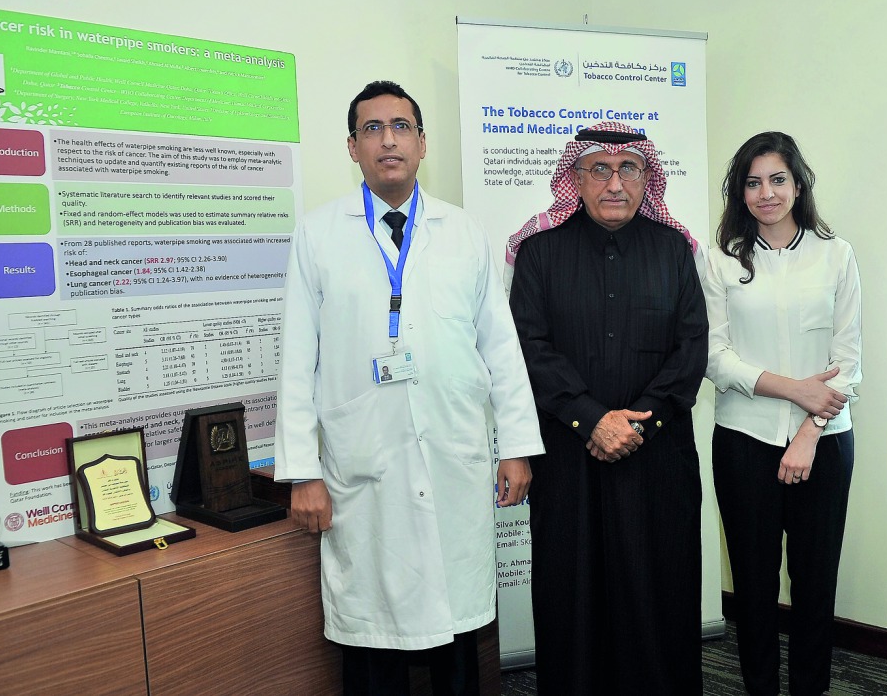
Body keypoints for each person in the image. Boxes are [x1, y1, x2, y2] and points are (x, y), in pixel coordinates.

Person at [273, 80, 544, 696]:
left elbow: (501, 348)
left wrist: (517, 446)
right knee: (374, 638)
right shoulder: (318, 235)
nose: (387, 139)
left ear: (422, 143)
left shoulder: (464, 233)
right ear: (352, 146)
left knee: (456, 633)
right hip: (364, 463)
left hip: (452, 454)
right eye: (372, 128)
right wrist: (302, 471)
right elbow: (296, 360)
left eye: (401, 127)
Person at [506, 122, 708, 695]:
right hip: (570, 459)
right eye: (600, 169)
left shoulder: (673, 250)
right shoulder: (540, 253)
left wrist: (638, 421)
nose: (615, 183)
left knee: (659, 591)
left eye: (629, 169)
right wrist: (591, 418)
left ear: (648, 179)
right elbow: (529, 346)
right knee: (573, 594)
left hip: (658, 456)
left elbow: (691, 346)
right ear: (576, 178)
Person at [703, 132, 861, 696]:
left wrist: (810, 431)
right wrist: (795, 390)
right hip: (743, 439)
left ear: (798, 185)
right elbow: (714, 357)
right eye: (752, 182)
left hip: (824, 443)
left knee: (816, 586)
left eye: (777, 179)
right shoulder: (718, 259)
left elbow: (848, 363)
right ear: (739, 192)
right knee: (752, 585)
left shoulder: (836, 254)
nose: (766, 193)